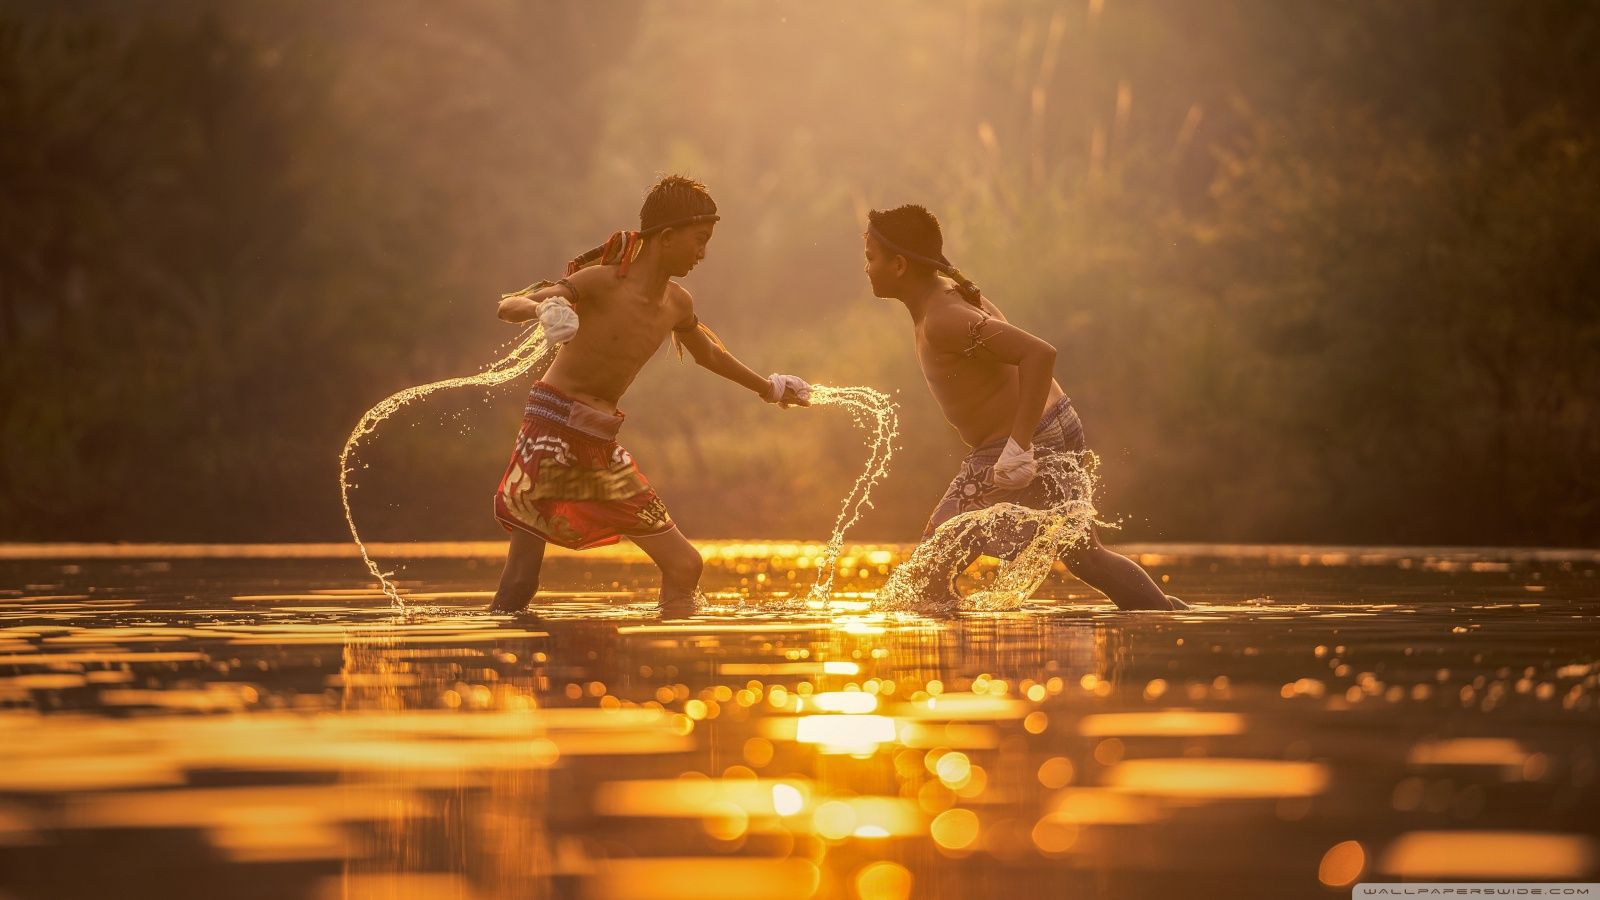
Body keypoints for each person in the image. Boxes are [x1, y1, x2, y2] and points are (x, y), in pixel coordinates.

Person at [490, 175, 810, 616]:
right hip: (551, 430)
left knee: (684, 565)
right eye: (699, 240)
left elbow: (711, 355)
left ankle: (667, 655)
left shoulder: (677, 303)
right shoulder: (600, 282)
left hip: (599, 444)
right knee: (524, 575)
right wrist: (548, 307)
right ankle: (509, 663)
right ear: (667, 237)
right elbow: (509, 306)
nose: (702, 253)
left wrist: (770, 387)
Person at [862, 204, 1185, 611]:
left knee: (927, 575)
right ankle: (1169, 613)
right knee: (1086, 556)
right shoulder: (945, 298)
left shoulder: (945, 317)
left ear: (899, 265)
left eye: (871, 258)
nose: (866, 269)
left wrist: (1019, 447)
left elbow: (1038, 354)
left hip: (1024, 438)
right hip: (1046, 424)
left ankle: (957, 667)